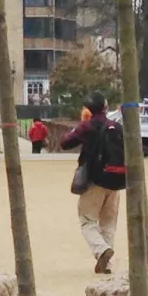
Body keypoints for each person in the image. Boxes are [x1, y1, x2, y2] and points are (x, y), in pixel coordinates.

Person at [61, 90, 126, 274]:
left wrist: (81, 124)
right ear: (105, 107)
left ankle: (101, 250)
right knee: (108, 224)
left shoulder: (87, 127)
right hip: (116, 181)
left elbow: (65, 143)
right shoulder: (116, 126)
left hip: (95, 180)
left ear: (88, 108)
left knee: (87, 221)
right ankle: (106, 265)